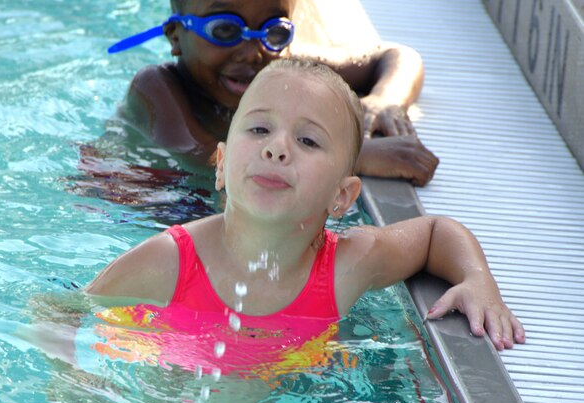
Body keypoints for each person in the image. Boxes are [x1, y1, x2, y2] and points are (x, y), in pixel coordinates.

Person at [86, 58, 525, 354]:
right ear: (220, 164)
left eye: (308, 140)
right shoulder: (172, 261)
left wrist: (478, 281)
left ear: (342, 196)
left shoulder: (346, 267)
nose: (278, 149)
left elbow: (433, 233)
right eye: (259, 129)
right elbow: (62, 312)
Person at [105, 0, 438, 187]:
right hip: (152, 193)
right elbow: (208, 162)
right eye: (225, 30)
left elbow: (397, 56)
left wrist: (383, 100)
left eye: (274, 31)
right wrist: (356, 157)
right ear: (176, 37)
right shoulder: (156, 87)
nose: (252, 52)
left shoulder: (283, 66)